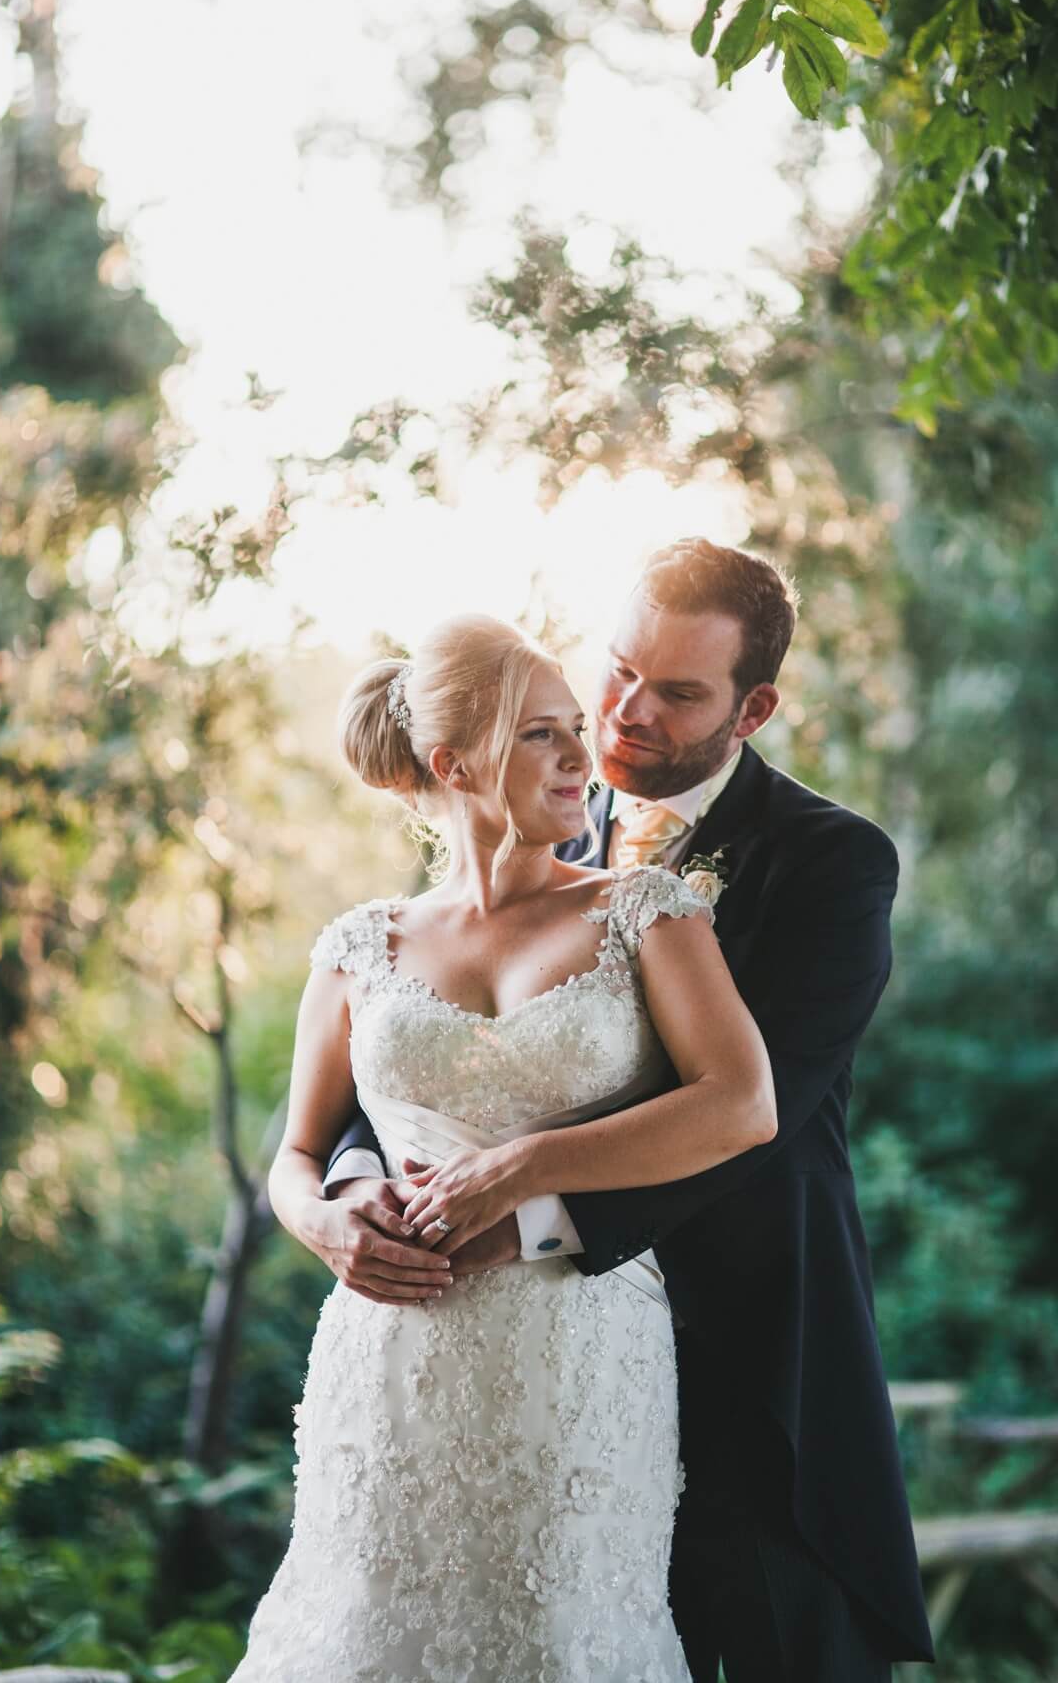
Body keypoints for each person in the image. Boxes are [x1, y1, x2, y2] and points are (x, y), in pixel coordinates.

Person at [324, 540, 935, 1681]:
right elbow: (426, 1058)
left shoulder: (831, 864)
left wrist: (534, 1209)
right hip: (519, 1389)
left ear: (753, 707)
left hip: (748, 1366)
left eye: (679, 692)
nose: (625, 713)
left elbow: (761, 1116)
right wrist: (355, 1188)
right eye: (617, 672)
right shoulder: (521, 817)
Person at [228, 611, 778, 1683]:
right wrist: (329, 1225)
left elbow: (741, 1103)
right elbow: (294, 1158)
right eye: (543, 734)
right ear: (452, 764)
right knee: (370, 1629)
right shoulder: (358, 946)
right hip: (389, 1355)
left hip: (579, 1348)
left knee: (560, 1632)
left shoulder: (646, 912)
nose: (585, 756)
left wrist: (525, 1165)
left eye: (577, 727)